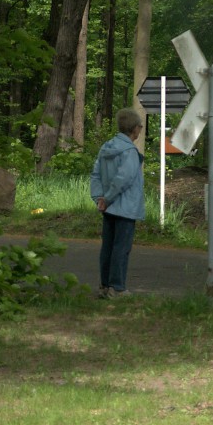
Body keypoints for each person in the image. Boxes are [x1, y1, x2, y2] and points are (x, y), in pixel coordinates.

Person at [89, 108, 146, 299]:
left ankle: (105, 286)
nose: (140, 130)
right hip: (125, 208)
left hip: (108, 207)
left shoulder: (106, 147)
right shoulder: (130, 151)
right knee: (122, 248)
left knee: (108, 247)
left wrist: (100, 198)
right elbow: (124, 178)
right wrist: (109, 197)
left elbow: (96, 174)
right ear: (135, 129)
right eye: (140, 126)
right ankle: (118, 288)